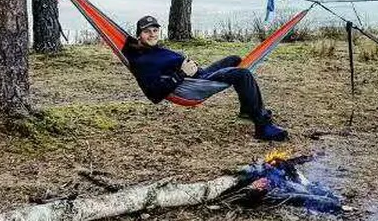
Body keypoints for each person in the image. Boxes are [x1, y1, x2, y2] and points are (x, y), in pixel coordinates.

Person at [122, 15, 288, 141]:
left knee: (235, 60)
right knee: (242, 74)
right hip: (193, 85)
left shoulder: (152, 50)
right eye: (146, 32)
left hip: (198, 75)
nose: (152, 34)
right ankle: (262, 127)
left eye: (155, 30)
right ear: (139, 35)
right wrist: (182, 73)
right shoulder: (142, 61)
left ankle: (247, 112)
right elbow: (154, 94)